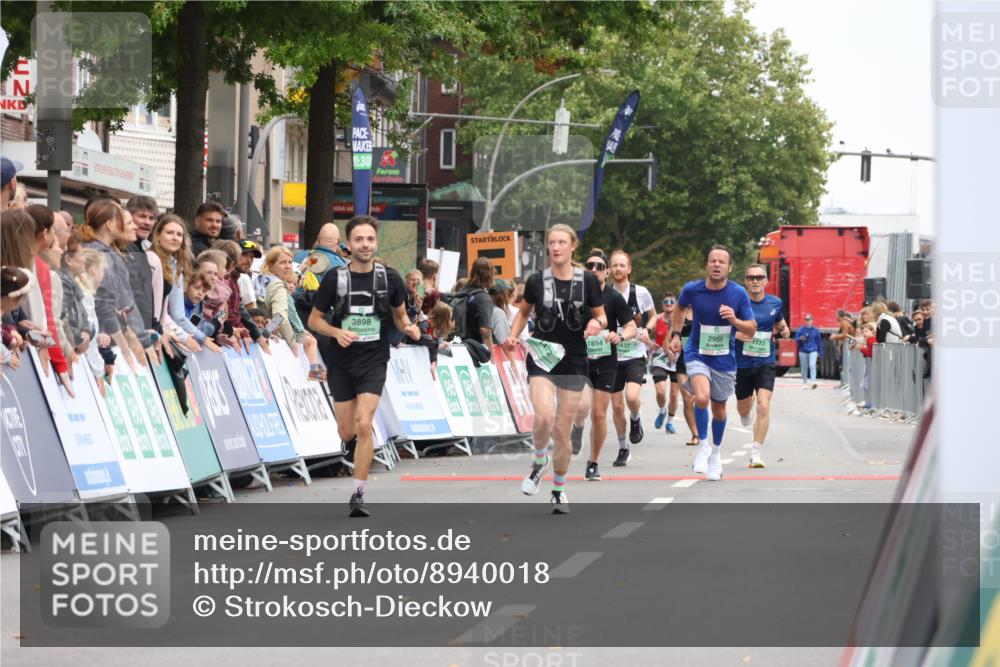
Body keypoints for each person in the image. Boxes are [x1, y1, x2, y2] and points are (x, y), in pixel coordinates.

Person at [307, 215, 420, 517]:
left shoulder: (390, 278)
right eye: (359, 239)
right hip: (341, 362)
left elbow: (399, 315)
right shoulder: (335, 278)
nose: (365, 244)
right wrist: (336, 332)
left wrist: (409, 327)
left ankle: (358, 492)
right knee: (346, 431)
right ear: (350, 244)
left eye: (370, 239)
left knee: (364, 423)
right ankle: (349, 444)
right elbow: (314, 320)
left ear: (376, 242)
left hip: (373, 360)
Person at [503, 224, 606, 513]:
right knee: (544, 416)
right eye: (552, 242)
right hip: (543, 355)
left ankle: (559, 488)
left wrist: (596, 324)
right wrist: (513, 335)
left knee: (562, 431)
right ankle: (538, 461)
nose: (556, 247)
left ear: (573, 247)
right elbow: (523, 312)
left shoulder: (586, 280)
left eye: (562, 242)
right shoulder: (537, 280)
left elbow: (601, 316)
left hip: (573, 357)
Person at [668, 245, 756, 481]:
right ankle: (703, 446)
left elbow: (752, 327)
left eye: (721, 262)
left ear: (729, 267)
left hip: (724, 360)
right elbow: (679, 307)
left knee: (718, 409)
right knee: (701, 397)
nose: (717, 265)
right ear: (707, 265)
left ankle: (716, 454)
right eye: (712, 261)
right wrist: (676, 334)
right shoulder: (692, 290)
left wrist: (734, 319)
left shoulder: (738, 294)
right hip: (697, 353)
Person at [577, 249, 635, 479]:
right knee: (581, 409)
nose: (594, 269)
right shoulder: (576, 297)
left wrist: (620, 336)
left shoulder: (613, 297)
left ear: (607, 272)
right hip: (579, 360)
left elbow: (630, 325)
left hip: (606, 362)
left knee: (599, 414)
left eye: (599, 266)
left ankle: (593, 462)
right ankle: (577, 426)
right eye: (590, 265)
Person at [79, 199, 156, 370]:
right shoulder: (104, 256)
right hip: (102, 341)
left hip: (98, 337)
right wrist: (136, 339)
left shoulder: (93, 249)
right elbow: (117, 302)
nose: (133, 226)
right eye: (126, 222)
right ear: (109, 225)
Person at [734, 264, 791, 468]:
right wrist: (739, 335)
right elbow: (726, 329)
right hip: (741, 364)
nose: (755, 281)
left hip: (765, 362)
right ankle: (744, 412)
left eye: (759, 277)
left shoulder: (775, 303)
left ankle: (756, 453)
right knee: (743, 409)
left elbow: (779, 322)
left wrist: (784, 330)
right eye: (751, 278)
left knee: (764, 405)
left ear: (766, 281)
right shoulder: (738, 303)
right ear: (746, 281)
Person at [152, 214, 221, 353]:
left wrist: (187, 337)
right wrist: (196, 338)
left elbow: (169, 315)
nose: (175, 237)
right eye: (170, 232)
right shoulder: (151, 260)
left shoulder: (175, 265)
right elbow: (172, 316)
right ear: (158, 235)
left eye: (179, 234)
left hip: (160, 331)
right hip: (147, 334)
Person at [609, 249, 656, 453]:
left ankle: (635, 418)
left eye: (622, 265)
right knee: (617, 406)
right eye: (615, 265)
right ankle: (622, 447)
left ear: (629, 269)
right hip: (611, 356)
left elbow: (653, 316)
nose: (618, 268)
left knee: (631, 398)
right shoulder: (604, 295)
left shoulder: (641, 293)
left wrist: (647, 329)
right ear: (609, 269)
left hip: (635, 354)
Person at [260, 246, 325, 380]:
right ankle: (315, 371)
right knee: (311, 341)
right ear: (271, 265)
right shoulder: (278, 287)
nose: (288, 266)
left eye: (289, 262)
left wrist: (266, 331)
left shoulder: (264, 281)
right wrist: (291, 341)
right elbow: (279, 317)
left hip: (270, 331)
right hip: (280, 333)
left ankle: (315, 371)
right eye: (283, 263)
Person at [123, 196, 160, 333]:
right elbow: (133, 297)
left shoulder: (140, 249)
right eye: (142, 216)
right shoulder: (126, 249)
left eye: (151, 218)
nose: (147, 222)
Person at [669, 305, 700, 446]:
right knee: (688, 398)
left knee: (700, 398)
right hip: (683, 362)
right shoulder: (679, 314)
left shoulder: (703, 311)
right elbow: (670, 337)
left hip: (701, 361)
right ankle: (695, 434)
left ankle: (702, 430)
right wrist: (669, 349)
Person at [651, 292, 680, 434]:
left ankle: (669, 422)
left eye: (671, 302)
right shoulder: (657, 319)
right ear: (662, 304)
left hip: (677, 358)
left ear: (676, 304)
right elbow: (642, 332)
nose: (668, 304)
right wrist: (650, 343)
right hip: (660, 358)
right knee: (661, 391)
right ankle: (662, 410)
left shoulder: (680, 320)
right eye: (666, 302)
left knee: (674, 395)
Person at [453, 257, 495, 349]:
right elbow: (485, 330)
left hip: (457, 346)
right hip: (475, 350)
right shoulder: (484, 298)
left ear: (472, 272)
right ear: (490, 274)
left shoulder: (461, 291)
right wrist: (491, 354)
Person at [796, 314, 823, 388]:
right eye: (806, 320)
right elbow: (796, 339)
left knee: (812, 365)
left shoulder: (815, 330)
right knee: (804, 367)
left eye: (809, 320)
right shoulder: (801, 329)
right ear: (805, 321)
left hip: (813, 350)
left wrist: (820, 352)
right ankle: (804, 382)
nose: (808, 322)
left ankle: (813, 381)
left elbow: (819, 341)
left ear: (812, 321)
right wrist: (800, 339)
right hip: (803, 350)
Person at [489, 278, 513, 345]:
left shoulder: (485, 309)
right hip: (495, 353)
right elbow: (503, 341)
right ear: (503, 294)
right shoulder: (498, 313)